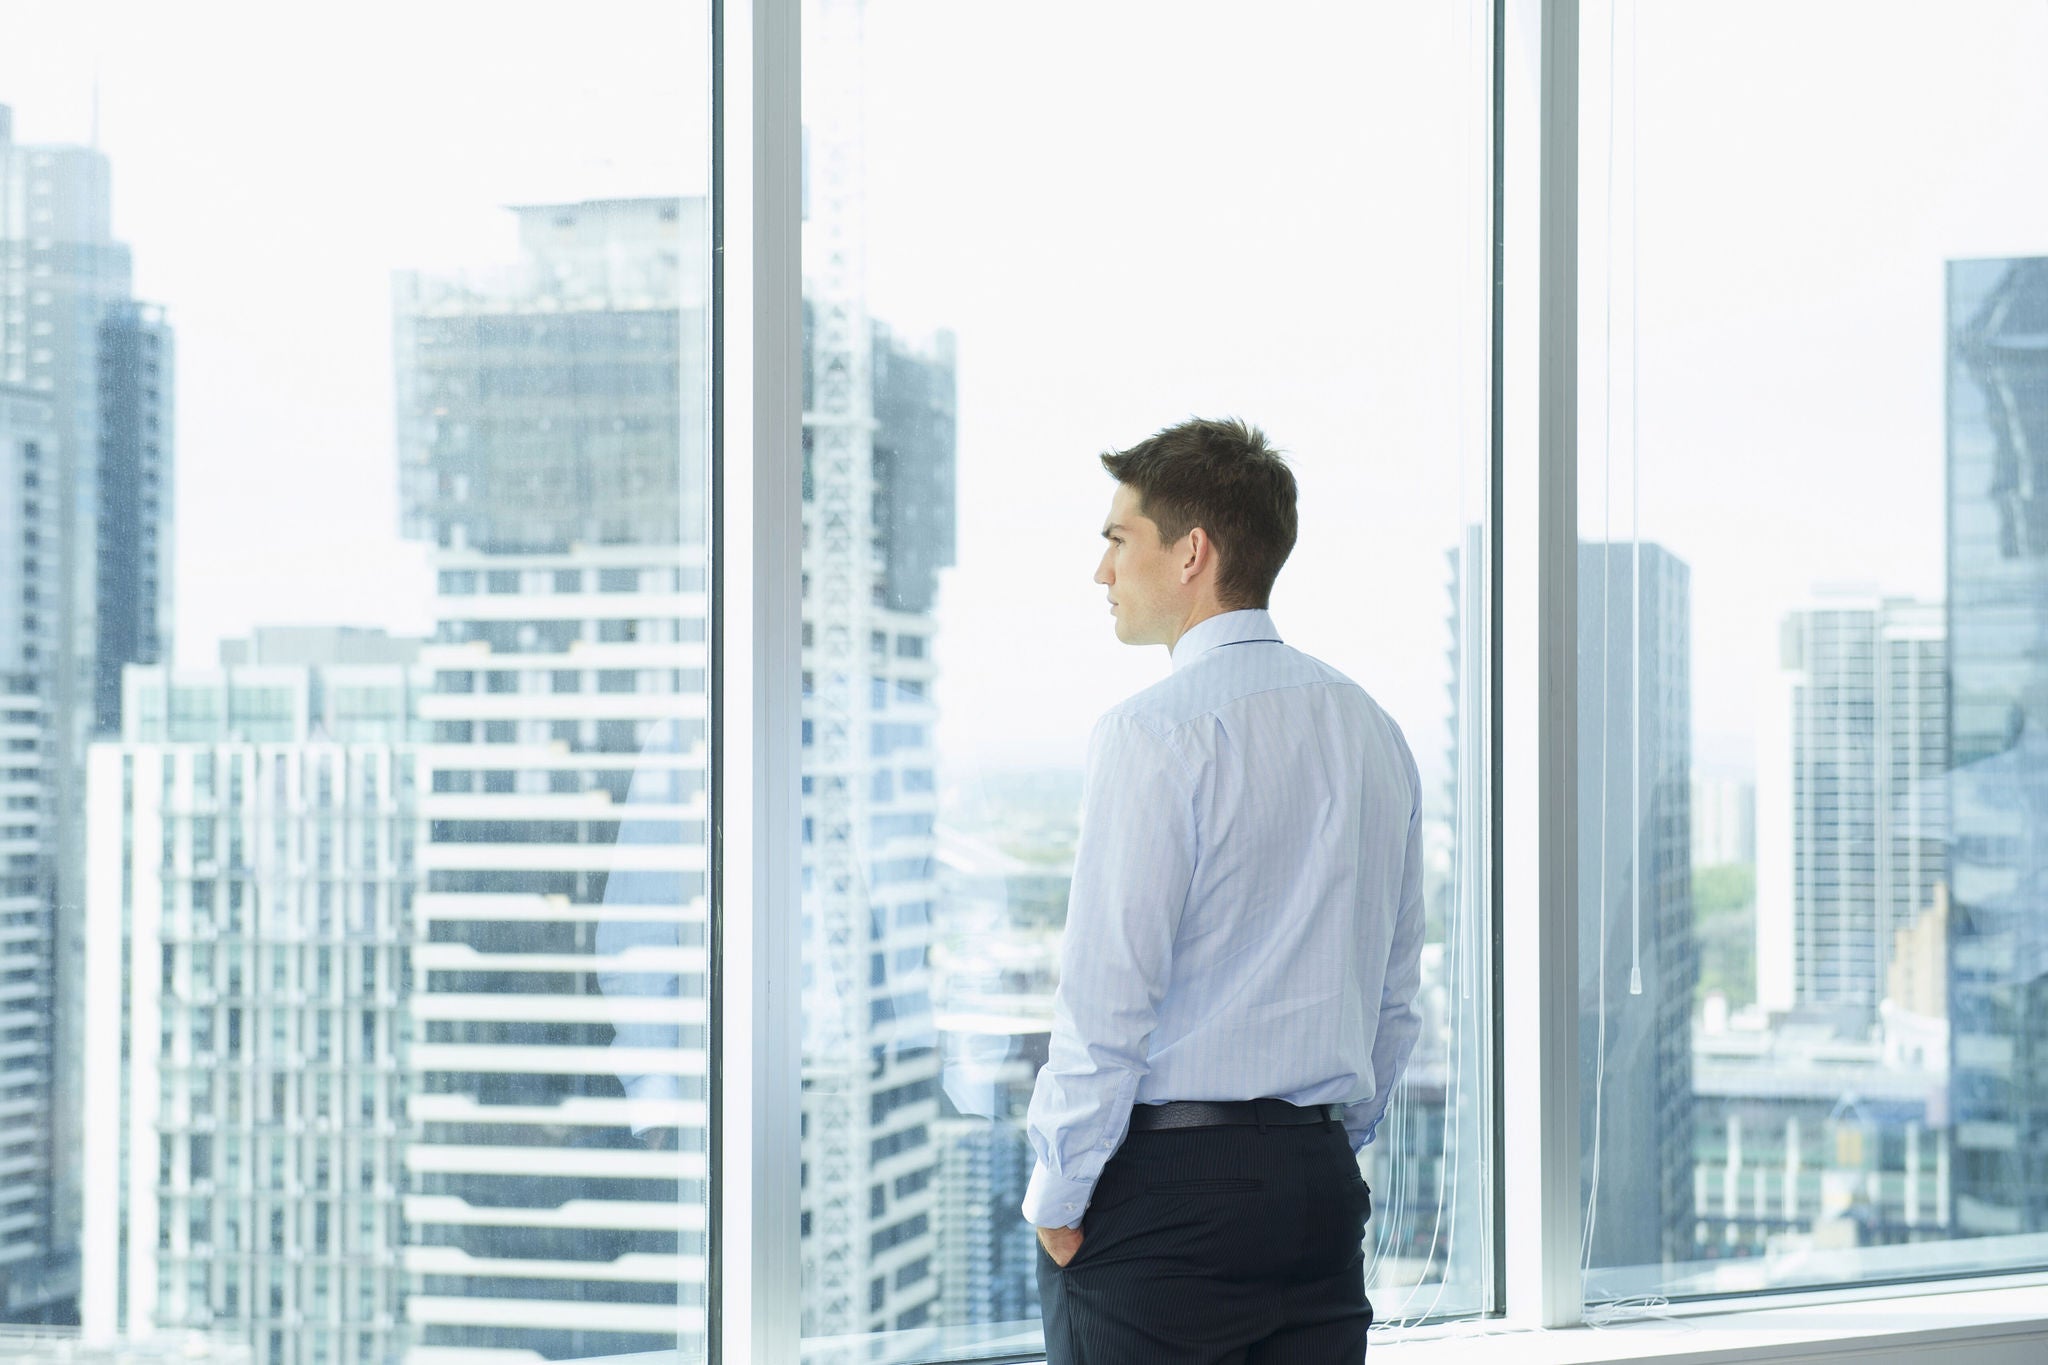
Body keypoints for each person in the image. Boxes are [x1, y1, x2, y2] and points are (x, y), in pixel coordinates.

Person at [1023, 417, 1426, 1363]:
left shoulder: (1152, 733)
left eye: (1119, 540)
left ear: (1191, 551)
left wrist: (1058, 1192)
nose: (1102, 572)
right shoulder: (1375, 730)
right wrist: (1316, 1143)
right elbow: (1395, 1000)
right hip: (1317, 1190)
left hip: (1167, 1198)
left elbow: (1104, 1004)